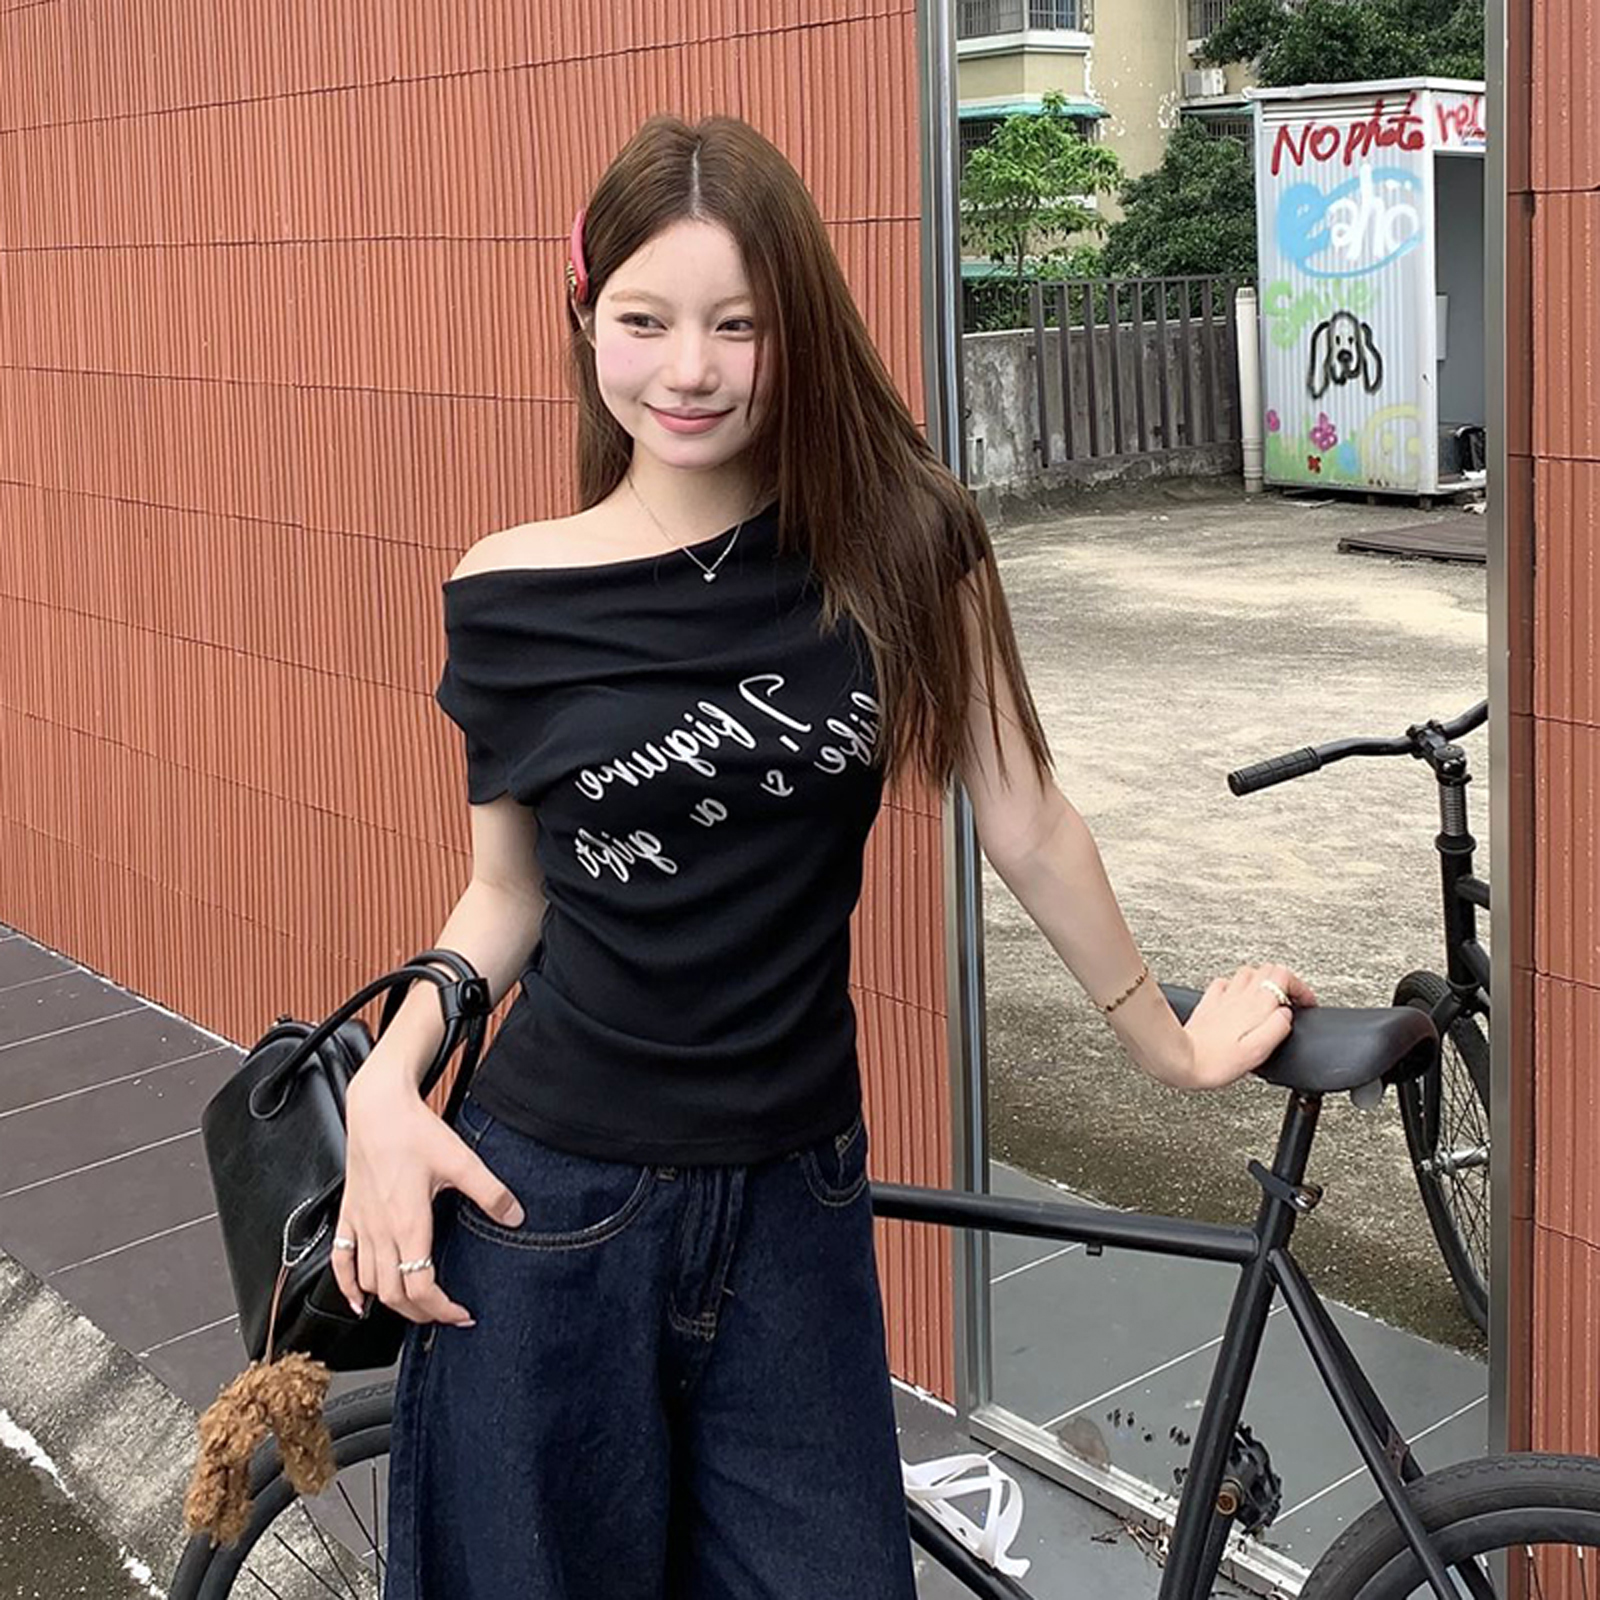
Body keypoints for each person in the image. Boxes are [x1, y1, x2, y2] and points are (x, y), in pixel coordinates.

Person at [333, 112, 1317, 1600]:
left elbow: (1026, 815)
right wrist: (387, 1082)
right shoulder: (509, 592)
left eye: (738, 324)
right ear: (583, 316)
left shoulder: (901, 545)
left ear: (796, 329)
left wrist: (1169, 1049)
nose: (689, 369)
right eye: (646, 320)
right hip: (547, 1208)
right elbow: (506, 893)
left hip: (795, 1209)